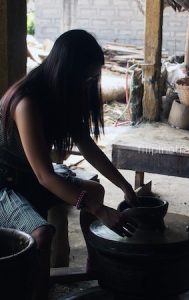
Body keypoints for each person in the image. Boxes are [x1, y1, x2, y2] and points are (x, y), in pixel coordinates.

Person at [0, 29, 138, 299]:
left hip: (28, 176)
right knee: (41, 234)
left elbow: (89, 148)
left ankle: (95, 267)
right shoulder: (27, 102)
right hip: (6, 184)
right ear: (69, 71)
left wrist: (125, 188)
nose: (89, 83)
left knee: (94, 190)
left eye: (92, 77)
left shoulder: (62, 95)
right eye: (86, 77)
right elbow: (45, 176)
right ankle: (39, 293)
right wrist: (99, 211)